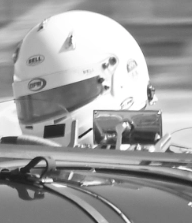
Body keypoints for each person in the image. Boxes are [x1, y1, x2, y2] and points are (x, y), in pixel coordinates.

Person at [9, 10, 152, 146]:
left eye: (66, 94)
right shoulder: (22, 168)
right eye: (36, 101)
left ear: (118, 82)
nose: (46, 108)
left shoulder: (159, 169)